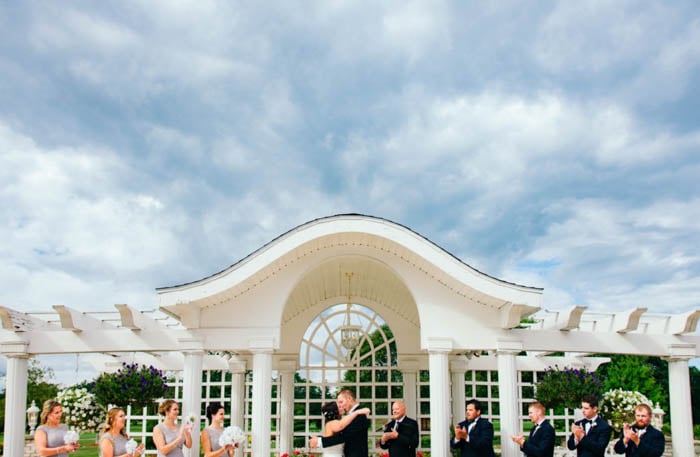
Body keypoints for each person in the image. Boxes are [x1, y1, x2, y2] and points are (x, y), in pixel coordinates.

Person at [309, 389, 369, 457]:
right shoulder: (349, 416)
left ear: (349, 398)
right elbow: (338, 435)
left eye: (341, 402)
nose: (341, 406)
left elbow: (344, 436)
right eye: (339, 404)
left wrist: (319, 441)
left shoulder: (360, 414)